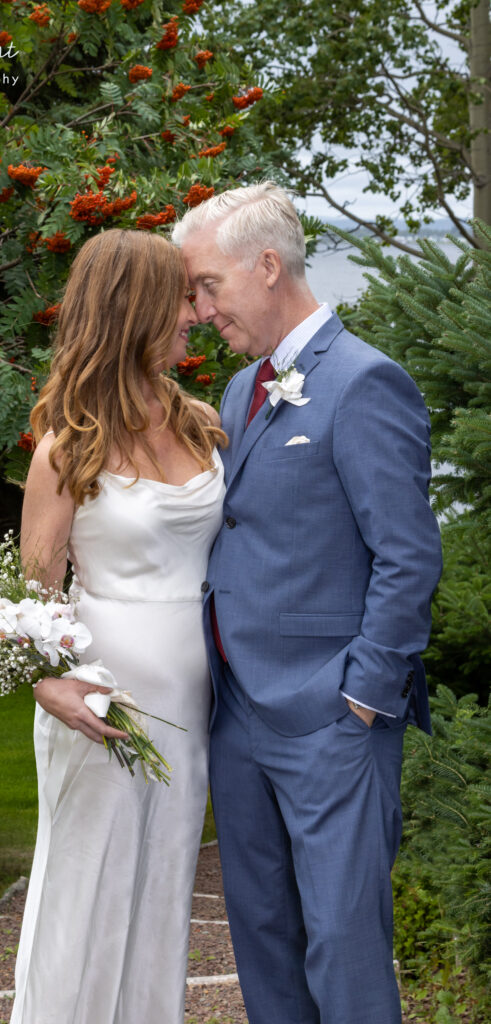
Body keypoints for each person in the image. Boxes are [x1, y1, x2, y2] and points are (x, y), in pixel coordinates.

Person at [172, 182, 443, 1024]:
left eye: (208, 285)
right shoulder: (239, 387)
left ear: (265, 266)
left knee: (341, 939)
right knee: (261, 936)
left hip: (330, 716)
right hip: (237, 712)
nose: (200, 308)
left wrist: (361, 695)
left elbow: (407, 556)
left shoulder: (365, 382)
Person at [10, 228, 227, 1024]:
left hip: (196, 712)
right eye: (180, 297)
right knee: (87, 896)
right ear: (133, 308)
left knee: (164, 893)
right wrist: (50, 684)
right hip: (102, 710)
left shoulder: (201, 423)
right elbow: (34, 596)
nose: (196, 314)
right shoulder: (66, 449)